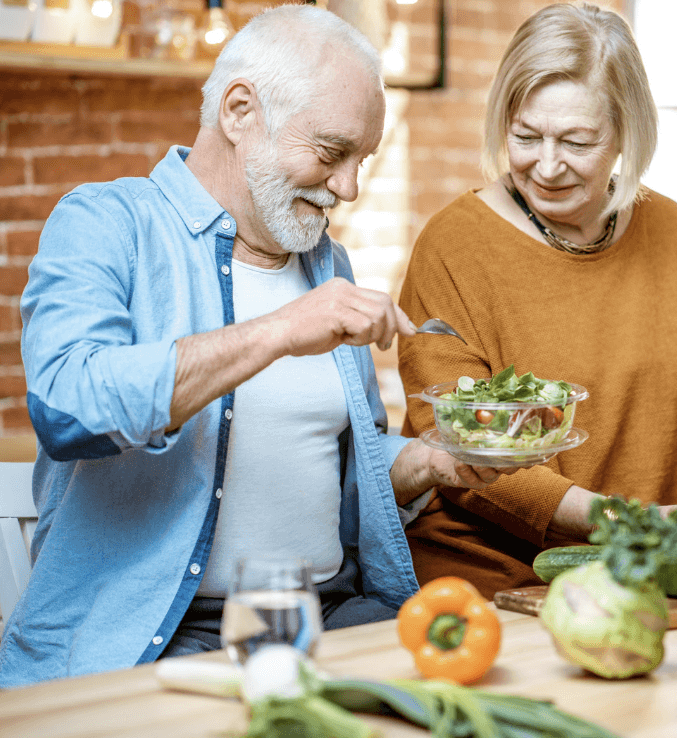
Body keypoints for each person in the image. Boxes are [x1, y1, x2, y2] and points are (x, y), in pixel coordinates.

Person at [0, 5, 506, 688]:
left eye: (361, 161)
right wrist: (277, 332)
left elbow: (333, 481)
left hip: (334, 616)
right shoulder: (106, 223)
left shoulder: (327, 266)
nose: (348, 188)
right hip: (165, 638)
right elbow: (68, 408)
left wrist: (431, 462)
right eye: (331, 154)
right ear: (240, 111)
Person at [396, 2, 677, 599]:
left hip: (652, 572)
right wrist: (627, 522)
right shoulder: (454, 245)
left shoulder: (672, 232)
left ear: (626, 133)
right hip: (502, 584)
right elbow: (458, 451)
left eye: (577, 140)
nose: (546, 166)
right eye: (525, 136)